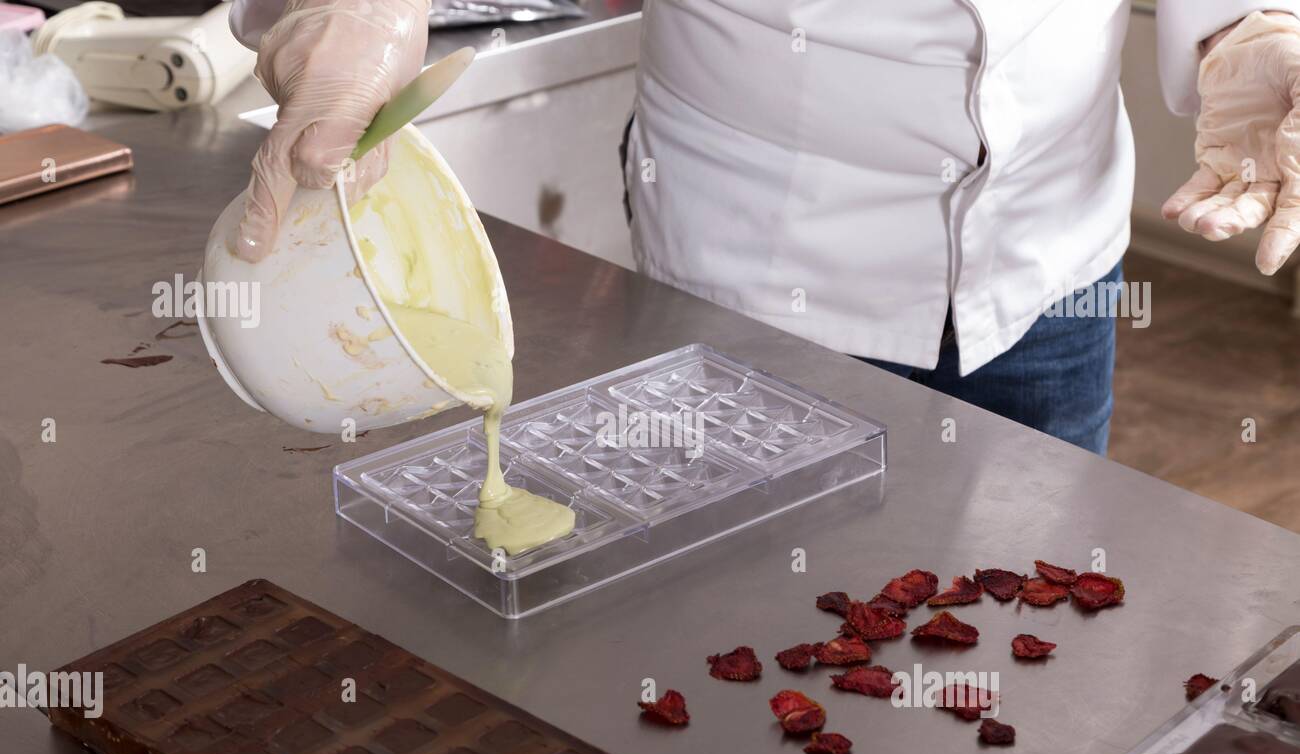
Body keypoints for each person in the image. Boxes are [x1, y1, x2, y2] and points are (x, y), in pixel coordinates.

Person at [229, 0, 1300, 453]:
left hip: (1050, 240)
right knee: (760, 654)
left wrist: (1247, 26)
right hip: (758, 253)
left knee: (1032, 629)